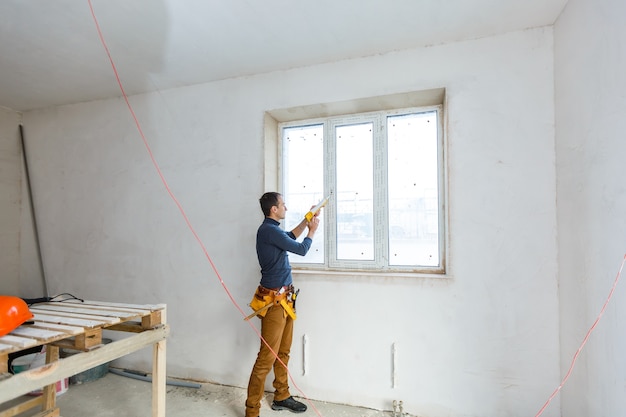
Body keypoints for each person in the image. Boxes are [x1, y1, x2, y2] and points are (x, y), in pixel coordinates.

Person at [245, 192, 320, 417]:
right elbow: (301, 249)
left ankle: (281, 396)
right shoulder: (268, 231)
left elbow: (290, 236)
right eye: (283, 204)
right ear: (274, 210)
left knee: (283, 352)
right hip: (274, 304)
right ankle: (252, 411)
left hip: (285, 301)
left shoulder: (274, 230)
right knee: (266, 357)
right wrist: (312, 231)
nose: (285, 207)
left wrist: (306, 222)